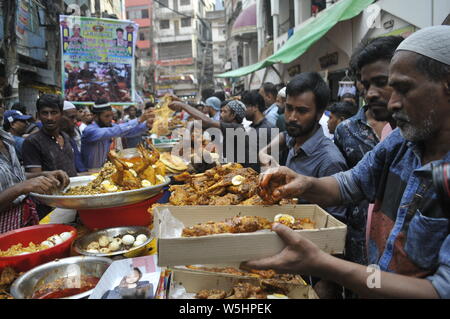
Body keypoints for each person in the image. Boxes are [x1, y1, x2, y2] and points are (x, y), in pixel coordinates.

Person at [247, 26, 450, 299]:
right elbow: (350, 183)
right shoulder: (400, 142)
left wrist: (324, 265)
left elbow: (439, 290)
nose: (392, 104)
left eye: (403, 88)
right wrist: (304, 183)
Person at [332, 36, 403, 268]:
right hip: (365, 248)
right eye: (366, 85)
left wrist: (326, 267)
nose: (371, 93)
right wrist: (299, 183)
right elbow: (350, 183)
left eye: (383, 82)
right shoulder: (394, 140)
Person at [259, 72, 348, 221]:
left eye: (302, 111)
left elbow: (334, 223)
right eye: (289, 108)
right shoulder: (295, 137)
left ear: (319, 114)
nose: (292, 117)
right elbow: (283, 136)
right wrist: (264, 154)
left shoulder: (330, 161)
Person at [0, 105, 69, 233]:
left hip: (22, 220)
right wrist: (20, 188)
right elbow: (18, 186)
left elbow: (15, 177)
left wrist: (44, 174)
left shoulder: (6, 140)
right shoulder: (29, 141)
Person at [169, 96, 249, 166]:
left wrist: (183, 106)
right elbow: (198, 123)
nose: (221, 115)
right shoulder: (225, 129)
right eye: (221, 111)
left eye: (224, 112)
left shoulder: (236, 128)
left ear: (233, 115)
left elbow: (207, 121)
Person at [80, 99, 154, 169]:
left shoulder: (110, 125)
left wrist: (146, 125)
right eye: (106, 116)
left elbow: (128, 132)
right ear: (95, 117)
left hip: (101, 169)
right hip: (87, 172)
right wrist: (139, 120)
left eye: (111, 115)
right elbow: (114, 131)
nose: (110, 119)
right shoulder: (90, 130)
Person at [22, 94, 78, 178]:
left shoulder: (65, 137)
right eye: (45, 113)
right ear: (38, 116)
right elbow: (35, 179)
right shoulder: (32, 142)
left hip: (73, 189)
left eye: (54, 112)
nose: (49, 118)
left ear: (61, 114)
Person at [241, 90, 277, 172]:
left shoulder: (269, 129)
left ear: (255, 107)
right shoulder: (251, 127)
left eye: (245, 107)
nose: (243, 111)